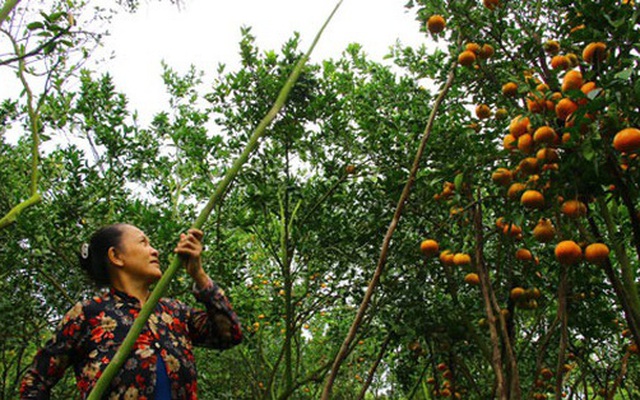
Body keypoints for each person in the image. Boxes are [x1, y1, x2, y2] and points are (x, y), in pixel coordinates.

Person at [20, 223, 242, 399]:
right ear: (116, 256)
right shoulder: (88, 314)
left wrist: (198, 274)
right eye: (143, 243)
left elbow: (229, 334)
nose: (154, 251)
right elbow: (35, 381)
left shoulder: (173, 312)